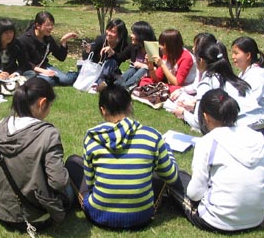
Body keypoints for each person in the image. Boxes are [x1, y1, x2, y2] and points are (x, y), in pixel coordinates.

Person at [65, 76, 179, 230]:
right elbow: (172, 177)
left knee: (73, 162)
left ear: (103, 110)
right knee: (160, 168)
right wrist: (168, 150)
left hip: (99, 214)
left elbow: (90, 183)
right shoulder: (152, 136)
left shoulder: (92, 137)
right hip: (142, 217)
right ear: (130, 106)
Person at [170, 89, 264, 233]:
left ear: (205, 116)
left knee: (176, 177)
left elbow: (194, 194)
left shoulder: (208, 142)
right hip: (256, 218)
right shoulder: (257, 138)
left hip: (216, 220)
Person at [0, 77, 73, 233]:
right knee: (73, 166)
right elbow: (58, 182)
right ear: (42, 103)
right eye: (50, 105)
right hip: (39, 216)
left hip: (4, 213)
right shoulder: (48, 134)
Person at [174, 41, 264, 133]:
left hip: (243, 131)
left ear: (201, 60)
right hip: (260, 127)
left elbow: (198, 122)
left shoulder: (207, 83)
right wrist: (194, 107)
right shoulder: (233, 78)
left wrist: (183, 113)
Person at [231, 36, 264, 140]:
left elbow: (248, 103)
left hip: (261, 125)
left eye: (236, 53)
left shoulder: (256, 77)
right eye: (232, 53)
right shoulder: (244, 73)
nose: (233, 56)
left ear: (248, 55)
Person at [18, 11, 79, 86]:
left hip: (43, 66)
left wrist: (64, 41)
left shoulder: (48, 38)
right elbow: (24, 63)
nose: (51, 28)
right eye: (47, 25)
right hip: (29, 69)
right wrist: (43, 71)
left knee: (66, 80)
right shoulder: (24, 39)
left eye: (52, 25)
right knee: (49, 81)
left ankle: (79, 74)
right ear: (38, 25)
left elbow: (61, 57)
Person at [0, 18, 34, 83]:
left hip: (12, 75)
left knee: (31, 73)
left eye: (11, 32)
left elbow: (24, 64)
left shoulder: (17, 44)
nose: (9, 35)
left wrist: (16, 73)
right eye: (6, 33)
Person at [141, 28, 197, 92]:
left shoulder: (186, 57)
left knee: (174, 89)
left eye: (162, 44)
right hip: (171, 85)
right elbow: (156, 79)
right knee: (145, 81)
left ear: (170, 46)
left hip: (184, 87)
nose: (160, 47)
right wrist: (150, 66)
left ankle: (154, 91)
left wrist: (162, 64)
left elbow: (177, 83)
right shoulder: (167, 54)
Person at [82, 18, 129, 91]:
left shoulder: (123, 45)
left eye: (113, 32)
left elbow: (122, 58)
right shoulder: (101, 39)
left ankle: (99, 84)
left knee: (111, 62)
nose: (109, 33)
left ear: (120, 34)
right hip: (96, 69)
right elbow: (87, 57)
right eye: (108, 29)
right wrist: (87, 50)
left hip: (111, 71)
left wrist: (113, 53)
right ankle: (100, 83)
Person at [116, 21, 156, 89]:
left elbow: (159, 69)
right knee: (132, 70)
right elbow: (121, 57)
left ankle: (125, 87)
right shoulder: (134, 46)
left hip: (148, 76)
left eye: (134, 33)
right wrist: (111, 52)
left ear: (141, 36)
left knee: (143, 69)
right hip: (134, 72)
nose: (131, 35)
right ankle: (115, 85)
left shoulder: (153, 49)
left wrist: (143, 65)